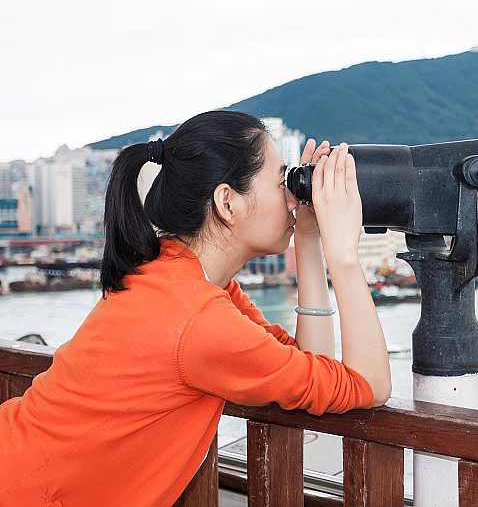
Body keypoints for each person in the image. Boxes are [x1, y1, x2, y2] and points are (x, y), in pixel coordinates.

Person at [0, 111, 391, 506]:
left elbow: (309, 368)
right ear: (227, 203)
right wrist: (343, 255)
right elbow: (370, 386)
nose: (293, 196)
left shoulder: (180, 276)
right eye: (281, 182)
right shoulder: (201, 321)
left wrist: (308, 238)